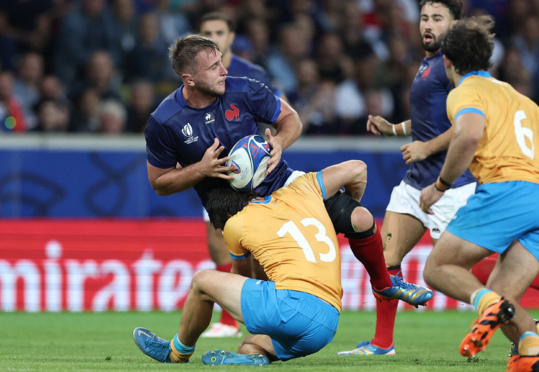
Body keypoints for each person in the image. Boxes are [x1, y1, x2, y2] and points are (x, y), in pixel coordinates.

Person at [339, 0, 539, 357]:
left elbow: (466, 128)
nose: (427, 25)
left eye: (437, 18)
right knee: (387, 259)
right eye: (424, 18)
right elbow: (432, 118)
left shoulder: (461, 76)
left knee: (462, 269)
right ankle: (382, 343)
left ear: (455, 26)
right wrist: (394, 129)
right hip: (416, 183)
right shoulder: (429, 64)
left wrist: (425, 150)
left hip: (451, 185)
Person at [144, 35, 406, 339]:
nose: (224, 70)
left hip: (285, 185)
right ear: (188, 78)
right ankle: (267, 336)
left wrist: (280, 142)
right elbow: (160, 183)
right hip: (238, 207)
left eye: (221, 62)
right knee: (262, 275)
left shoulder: (244, 88)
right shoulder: (164, 122)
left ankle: (383, 283)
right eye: (213, 67)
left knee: (361, 219)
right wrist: (200, 169)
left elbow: (291, 119)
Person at [419, 16, 539, 370]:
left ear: (446, 60)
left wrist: (439, 186)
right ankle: (532, 355)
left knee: (438, 267)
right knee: (505, 299)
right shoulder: (516, 95)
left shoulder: (465, 92)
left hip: (508, 191)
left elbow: (469, 134)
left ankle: (488, 305)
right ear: (487, 60)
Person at [132, 160, 367, 365]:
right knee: (250, 345)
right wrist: (353, 203)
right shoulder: (301, 189)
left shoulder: (237, 223)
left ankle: (176, 353)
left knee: (202, 282)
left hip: (292, 307)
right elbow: (358, 168)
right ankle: (251, 360)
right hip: (326, 324)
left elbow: (241, 280)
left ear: (226, 218)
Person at [195, 11, 287, 337]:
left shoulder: (251, 74)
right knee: (217, 240)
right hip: (215, 169)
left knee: (256, 247)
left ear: (231, 36)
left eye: (220, 31)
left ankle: (264, 314)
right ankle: (229, 319)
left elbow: (281, 109)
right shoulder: (198, 77)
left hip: (252, 172)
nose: (214, 37)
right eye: (207, 32)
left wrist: (272, 142)